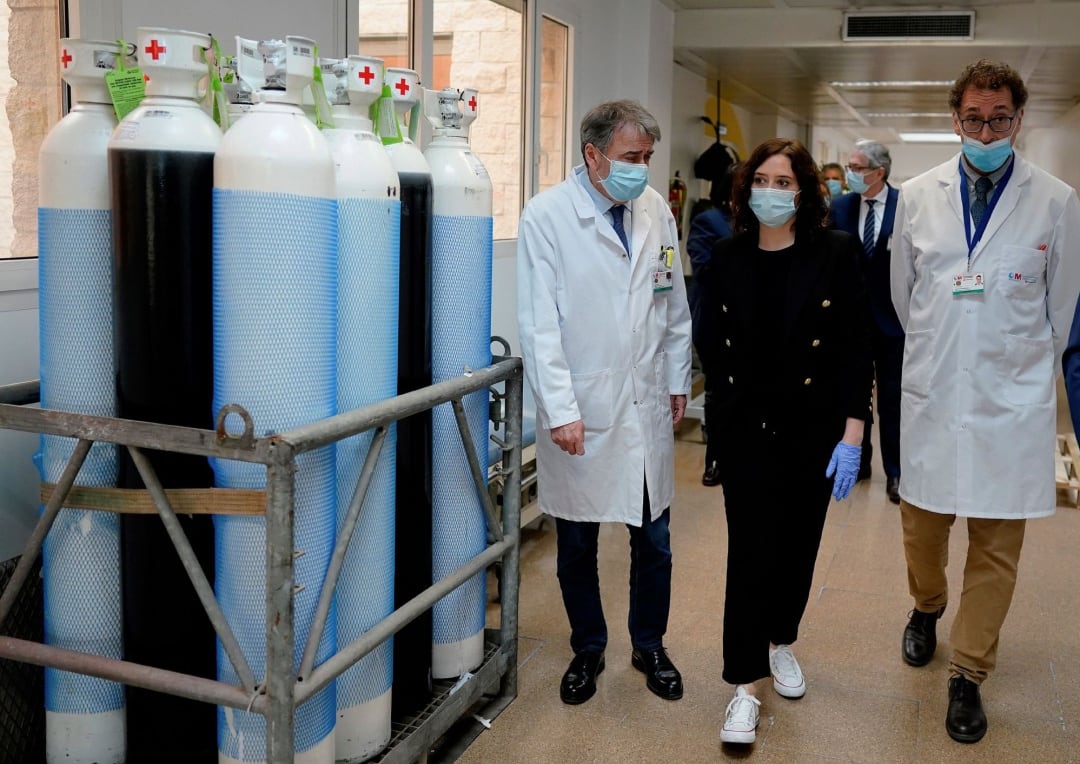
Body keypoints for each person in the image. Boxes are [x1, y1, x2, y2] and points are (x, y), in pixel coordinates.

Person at [891, 59, 1080, 745]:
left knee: (997, 550)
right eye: (974, 118)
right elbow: (903, 298)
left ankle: (968, 674)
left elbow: (1061, 312)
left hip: (1012, 402)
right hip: (935, 393)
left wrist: (1014, 365)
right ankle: (926, 604)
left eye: (1000, 118)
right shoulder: (917, 196)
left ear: (1019, 120)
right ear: (956, 121)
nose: (987, 129)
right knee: (923, 533)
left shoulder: (1055, 201)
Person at [516, 100, 693, 706]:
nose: (641, 170)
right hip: (583, 409)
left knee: (655, 539)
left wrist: (677, 380)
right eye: (630, 158)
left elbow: (672, 303)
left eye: (647, 158)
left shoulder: (655, 212)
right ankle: (587, 648)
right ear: (593, 155)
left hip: (644, 402)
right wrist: (561, 409)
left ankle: (649, 645)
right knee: (578, 545)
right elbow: (540, 324)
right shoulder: (547, 216)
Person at [698, 138, 873, 745]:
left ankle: (780, 643)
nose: (773, 192)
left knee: (799, 547)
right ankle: (743, 688)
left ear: (804, 190)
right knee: (750, 553)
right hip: (747, 431)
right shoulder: (726, 255)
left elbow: (856, 347)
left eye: (784, 181)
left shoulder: (836, 254)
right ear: (747, 190)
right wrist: (720, 421)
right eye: (762, 181)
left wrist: (854, 432)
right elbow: (708, 341)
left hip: (815, 429)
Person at [829, 140, 904, 504]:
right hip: (849, 319)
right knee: (854, 392)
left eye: (857, 168)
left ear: (879, 172)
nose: (851, 174)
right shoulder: (840, 206)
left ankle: (896, 472)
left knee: (891, 397)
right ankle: (861, 462)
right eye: (850, 166)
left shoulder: (905, 206)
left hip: (892, 321)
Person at [686, 166, 734, 486]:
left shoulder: (766, 224)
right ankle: (715, 458)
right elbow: (703, 269)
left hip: (757, 328)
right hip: (718, 324)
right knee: (718, 394)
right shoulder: (709, 221)